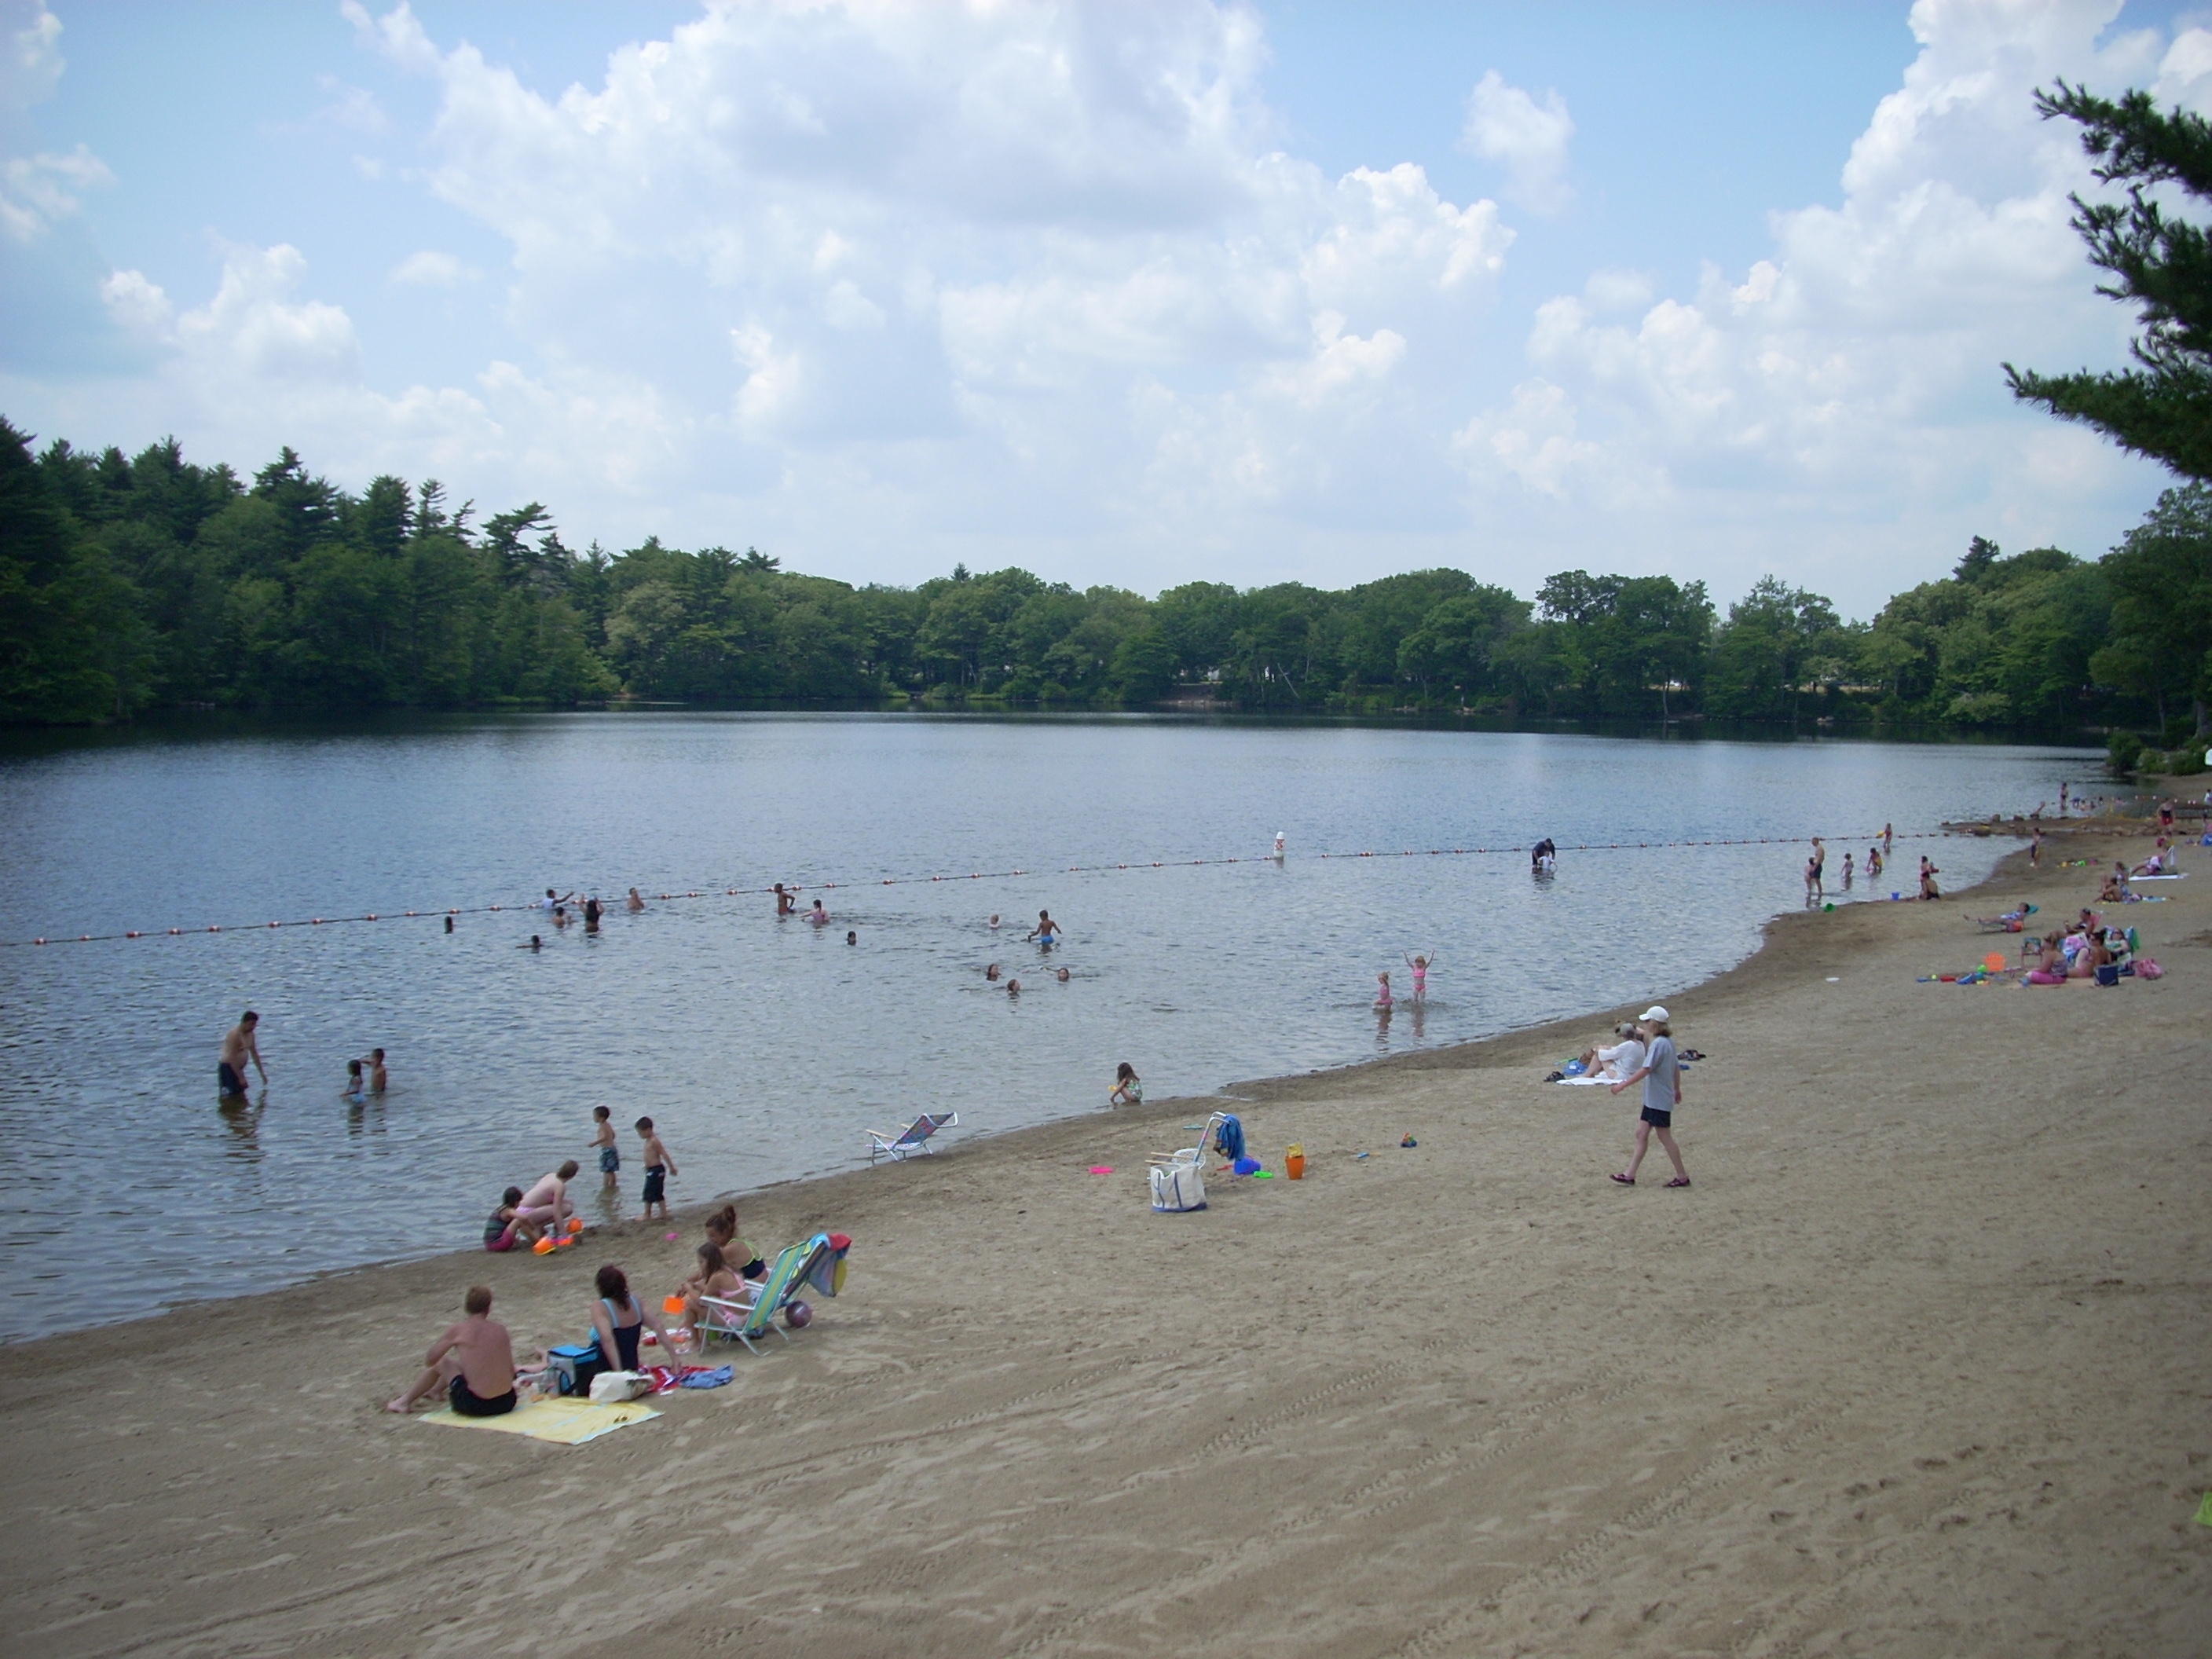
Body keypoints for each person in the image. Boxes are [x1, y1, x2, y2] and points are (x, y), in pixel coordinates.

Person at [386, 1285, 518, 1415]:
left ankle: (404, 1402)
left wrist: (448, 1340)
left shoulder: (459, 1330)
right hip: (507, 1401)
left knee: (443, 1363)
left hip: (477, 1405)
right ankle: (435, 1391)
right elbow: (510, 1371)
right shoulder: (501, 1330)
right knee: (472, 1366)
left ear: (467, 1307)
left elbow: (431, 1360)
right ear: (488, 1308)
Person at [1609, 1005, 1688, 1188]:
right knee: (1641, 1133)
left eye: (1647, 1021)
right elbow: (1675, 1068)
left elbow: (1646, 1069)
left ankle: (1682, 1176)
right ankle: (1629, 1175)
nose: (1646, 1025)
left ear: (1655, 1023)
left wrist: (1622, 1085)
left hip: (1658, 1099)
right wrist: (1677, 1089)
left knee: (1665, 1137)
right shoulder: (1668, 1042)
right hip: (1655, 1099)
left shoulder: (1660, 1044)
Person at [585, 1264, 673, 1377]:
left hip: (605, 1368)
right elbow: (658, 1326)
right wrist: (675, 1359)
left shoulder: (600, 1307)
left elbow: (608, 1341)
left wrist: (619, 1373)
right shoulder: (635, 1301)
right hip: (631, 1365)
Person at [515, 1161, 580, 1242]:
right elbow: (556, 1212)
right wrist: (564, 1235)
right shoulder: (560, 1186)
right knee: (567, 1209)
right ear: (572, 1175)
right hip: (526, 1213)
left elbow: (545, 1199)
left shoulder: (551, 1176)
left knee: (568, 1204)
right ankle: (539, 1227)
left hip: (520, 1210)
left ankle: (541, 1228)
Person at [703, 1203, 766, 1281]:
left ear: (724, 1232)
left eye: (712, 1236)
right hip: (764, 1284)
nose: (710, 1240)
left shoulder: (728, 1250)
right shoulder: (738, 1242)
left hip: (757, 1290)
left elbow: (708, 1270)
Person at [635, 1117, 676, 1222]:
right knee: (656, 1192)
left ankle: (647, 1214)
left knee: (650, 1192)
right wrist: (647, 1166)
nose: (640, 1135)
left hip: (656, 1170)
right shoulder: (648, 1141)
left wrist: (671, 1167)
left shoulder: (654, 1141)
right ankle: (663, 1213)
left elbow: (664, 1154)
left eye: (641, 1132)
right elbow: (649, 1156)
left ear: (648, 1130)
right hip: (651, 1169)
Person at [1577, 1022, 1645, 1083]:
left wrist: (1597, 1051)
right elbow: (1618, 1051)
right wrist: (1607, 1048)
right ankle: (1590, 1073)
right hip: (1633, 1074)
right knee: (1603, 1050)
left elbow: (1609, 1055)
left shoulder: (1628, 1045)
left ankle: (1588, 1074)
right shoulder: (1640, 1044)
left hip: (1621, 1076)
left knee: (1599, 1055)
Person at [219, 1011, 266, 1097]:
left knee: (241, 1096)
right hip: (228, 1068)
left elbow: (254, 1054)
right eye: (251, 1024)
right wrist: (241, 1078)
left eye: (255, 1024)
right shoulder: (235, 1035)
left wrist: (262, 1073)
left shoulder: (251, 1034)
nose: (253, 1027)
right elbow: (231, 1058)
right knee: (229, 1096)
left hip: (239, 1069)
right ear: (244, 1022)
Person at [484, 1186, 540, 1251]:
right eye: (518, 1202)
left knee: (517, 1222)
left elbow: (503, 1228)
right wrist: (533, 1228)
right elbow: (524, 1218)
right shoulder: (508, 1210)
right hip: (498, 1244)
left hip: (489, 1244)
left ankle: (534, 1239)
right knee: (518, 1220)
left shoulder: (500, 1210)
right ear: (515, 1202)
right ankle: (537, 1241)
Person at [591, 1104, 619, 1191]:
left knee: (606, 1171)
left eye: (595, 1116)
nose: (594, 1118)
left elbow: (604, 1137)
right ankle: (613, 1186)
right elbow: (613, 1134)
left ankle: (606, 1186)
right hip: (612, 1149)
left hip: (606, 1150)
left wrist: (594, 1143)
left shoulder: (602, 1126)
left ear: (601, 1118)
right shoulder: (608, 1125)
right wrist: (611, 1140)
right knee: (611, 1171)